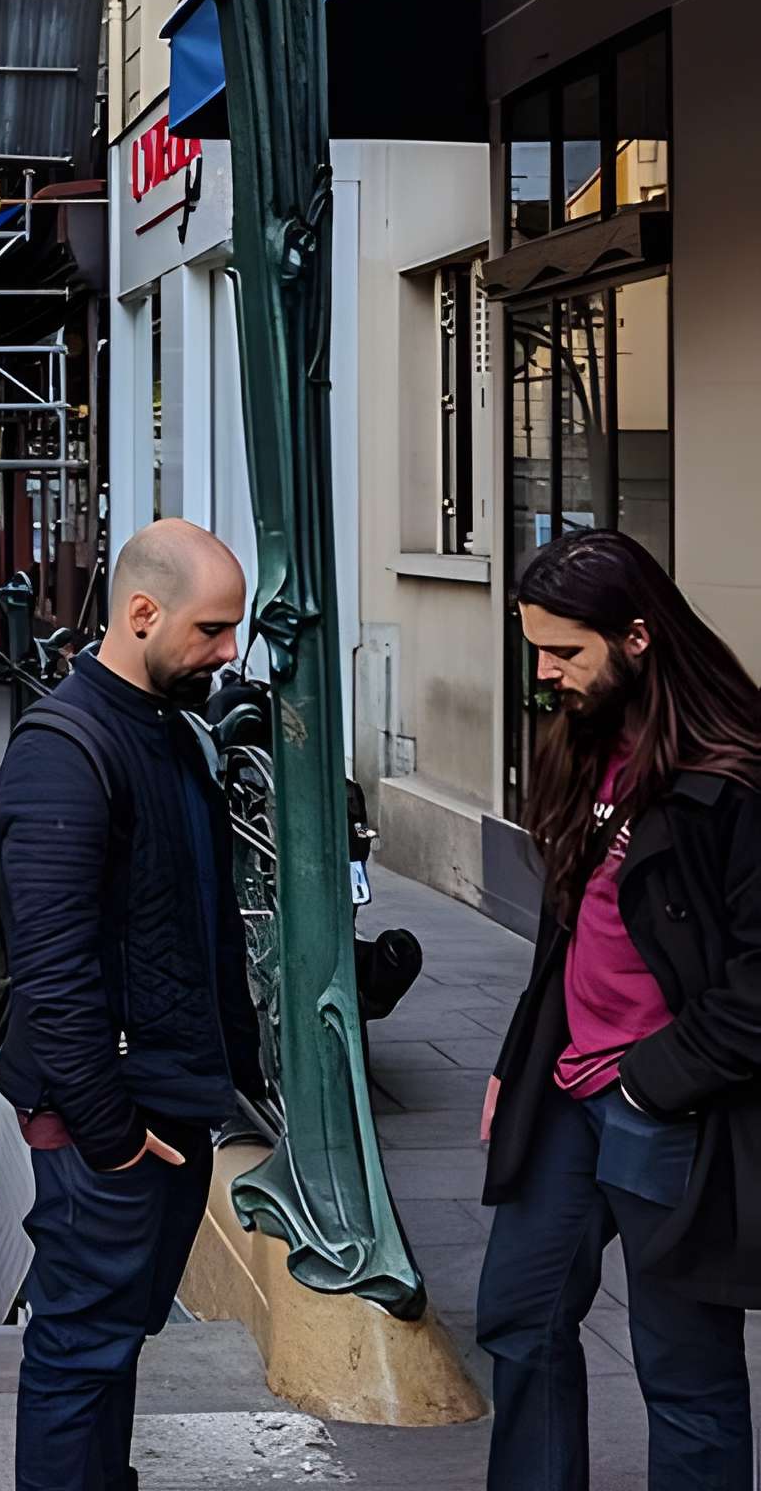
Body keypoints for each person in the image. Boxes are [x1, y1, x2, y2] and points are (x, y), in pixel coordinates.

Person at [478, 529, 761, 1491]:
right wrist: (515, 1065)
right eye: (538, 651)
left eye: (567, 653)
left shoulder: (731, 781)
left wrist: (649, 1086)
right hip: (564, 1089)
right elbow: (563, 935)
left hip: (664, 1105)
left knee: (683, 1370)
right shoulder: (582, 745)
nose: (547, 673)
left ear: (637, 637)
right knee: (520, 1317)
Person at [0, 519, 265, 1491]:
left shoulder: (160, 730)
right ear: (142, 614)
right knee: (80, 1349)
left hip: (166, 1101)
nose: (228, 651)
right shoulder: (68, 750)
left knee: (111, 1342)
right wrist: (107, 1135)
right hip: (113, 1118)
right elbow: (53, 970)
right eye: (212, 629)